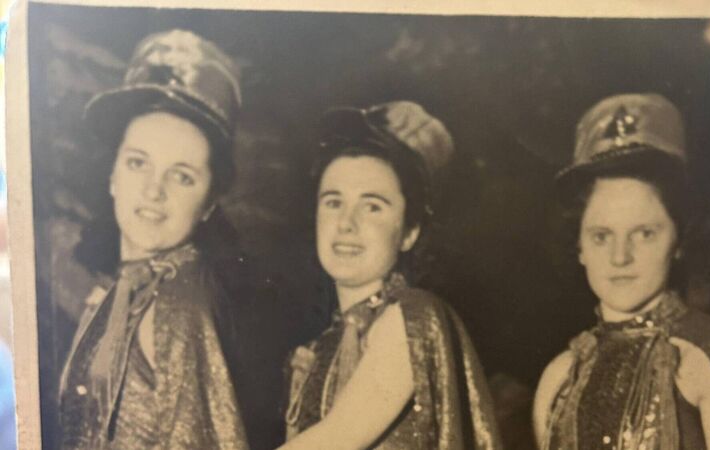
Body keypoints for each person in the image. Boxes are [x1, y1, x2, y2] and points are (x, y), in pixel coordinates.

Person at [58, 29, 249, 449]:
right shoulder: (123, 289)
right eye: (138, 162)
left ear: (209, 202)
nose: (153, 190)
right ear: (112, 174)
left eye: (182, 176)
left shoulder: (178, 306)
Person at [280, 101, 502, 449]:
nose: (346, 223)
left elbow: (337, 437)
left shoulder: (415, 316)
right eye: (334, 202)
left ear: (410, 233)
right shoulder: (320, 348)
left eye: (372, 206)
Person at [533, 93, 710, 450]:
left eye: (644, 233)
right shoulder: (559, 377)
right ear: (579, 246)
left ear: (679, 239)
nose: (620, 258)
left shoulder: (703, 358)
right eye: (601, 236)